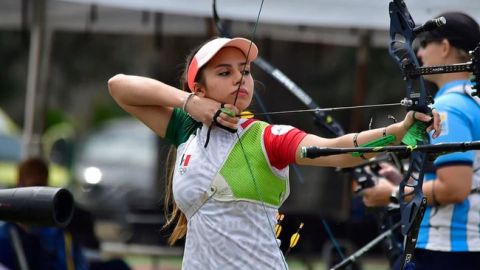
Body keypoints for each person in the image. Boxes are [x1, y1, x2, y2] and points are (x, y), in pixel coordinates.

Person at [107, 36, 440, 269]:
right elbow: (119, 86)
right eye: (225, 73)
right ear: (199, 87)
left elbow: (336, 150)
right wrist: (189, 104)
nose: (240, 79)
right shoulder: (186, 130)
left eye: (245, 71)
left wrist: (396, 132)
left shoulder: (266, 139)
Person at [362, 12, 480, 270]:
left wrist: (392, 194)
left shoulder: (451, 108)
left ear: (445, 47)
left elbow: (455, 188)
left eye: (424, 44)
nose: (420, 53)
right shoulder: (473, 100)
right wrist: (405, 178)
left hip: (447, 250)